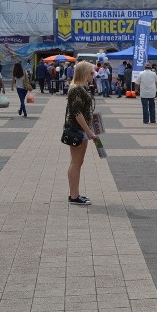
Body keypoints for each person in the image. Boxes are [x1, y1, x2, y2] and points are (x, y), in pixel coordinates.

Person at [64, 61, 97, 205]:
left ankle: (74, 194)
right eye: (91, 72)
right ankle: (74, 196)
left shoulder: (79, 87)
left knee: (77, 162)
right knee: (76, 163)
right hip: (78, 130)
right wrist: (89, 132)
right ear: (84, 73)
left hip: (79, 129)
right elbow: (77, 113)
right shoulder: (77, 89)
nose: (93, 74)